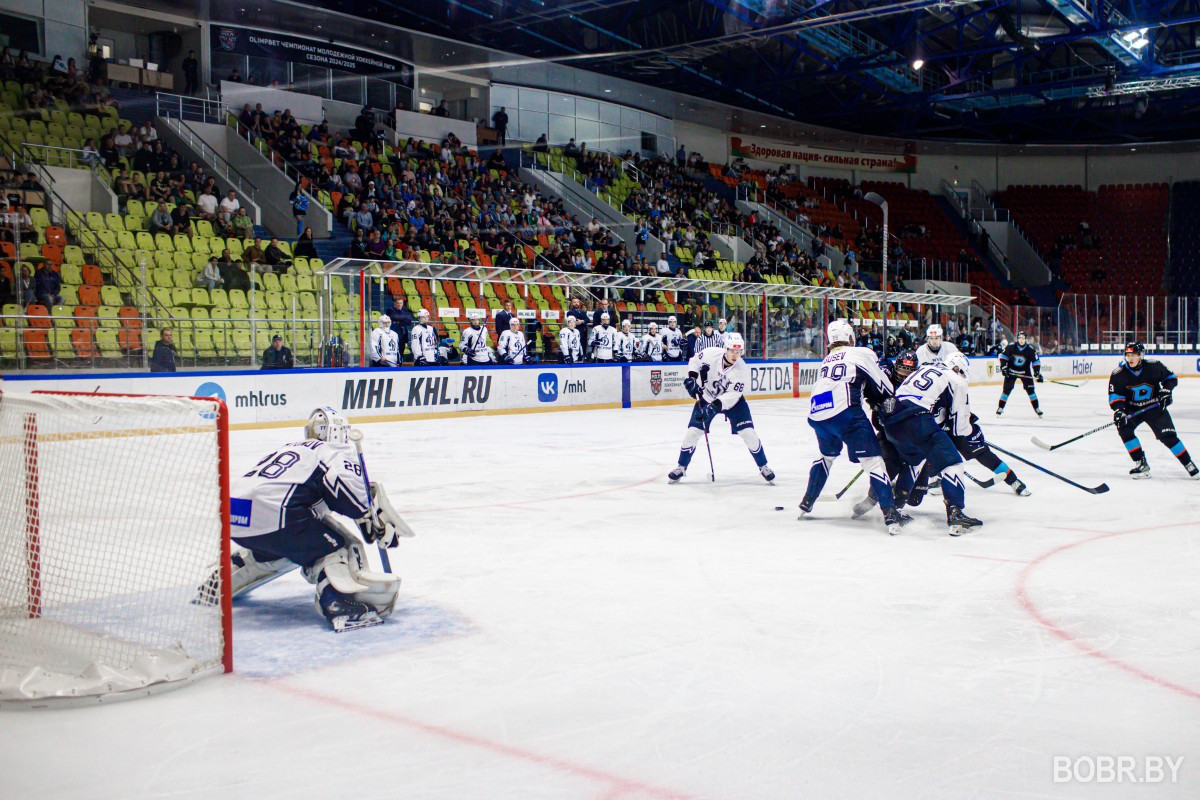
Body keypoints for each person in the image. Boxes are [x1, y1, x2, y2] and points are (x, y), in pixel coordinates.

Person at [217, 408, 409, 631]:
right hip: (276, 516)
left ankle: (221, 582)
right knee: (337, 547)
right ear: (341, 432)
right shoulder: (334, 451)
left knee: (286, 546)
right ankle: (340, 604)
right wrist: (371, 519)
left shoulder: (292, 448)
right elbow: (346, 496)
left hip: (234, 514)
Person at [799, 319, 906, 534]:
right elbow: (882, 385)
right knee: (874, 462)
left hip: (817, 413)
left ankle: (808, 501)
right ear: (850, 338)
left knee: (826, 457)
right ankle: (890, 514)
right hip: (846, 414)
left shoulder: (827, 359)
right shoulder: (861, 353)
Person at [880, 352, 982, 535]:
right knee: (953, 462)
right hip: (916, 419)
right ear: (958, 368)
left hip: (891, 420)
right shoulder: (957, 380)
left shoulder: (925, 368)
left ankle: (895, 509)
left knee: (915, 459)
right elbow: (960, 428)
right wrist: (970, 430)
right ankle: (956, 513)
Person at [667, 332, 774, 483]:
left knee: (749, 433)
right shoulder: (711, 354)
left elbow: (732, 396)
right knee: (692, 433)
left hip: (734, 403)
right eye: (732, 351)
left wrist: (714, 407)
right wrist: (692, 379)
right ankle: (681, 467)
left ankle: (764, 466)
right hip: (707, 397)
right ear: (726, 348)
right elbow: (694, 361)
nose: (735, 355)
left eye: (738, 352)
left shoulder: (741, 369)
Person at [1108, 341, 1197, 479]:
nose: (1130, 358)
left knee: (1168, 436)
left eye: (1134, 355)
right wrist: (1119, 411)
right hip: (1133, 409)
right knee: (1124, 428)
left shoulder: (1154, 366)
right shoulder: (1118, 374)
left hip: (1154, 407)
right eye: (1128, 355)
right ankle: (1141, 464)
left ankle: (1188, 463)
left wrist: (1166, 391)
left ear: (1141, 355)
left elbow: (1171, 378)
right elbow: (1116, 396)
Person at [996, 331, 1043, 417]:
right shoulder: (1011, 347)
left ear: (1026, 339)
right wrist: (1003, 367)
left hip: (1025, 372)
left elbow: (1036, 361)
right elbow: (1003, 357)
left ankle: (1037, 408)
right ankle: (1000, 408)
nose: (1021, 340)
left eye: (1023, 338)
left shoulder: (1030, 350)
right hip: (1011, 372)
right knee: (1006, 390)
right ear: (1017, 338)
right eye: (1019, 338)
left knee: (1031, 391)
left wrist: (1037, 373)